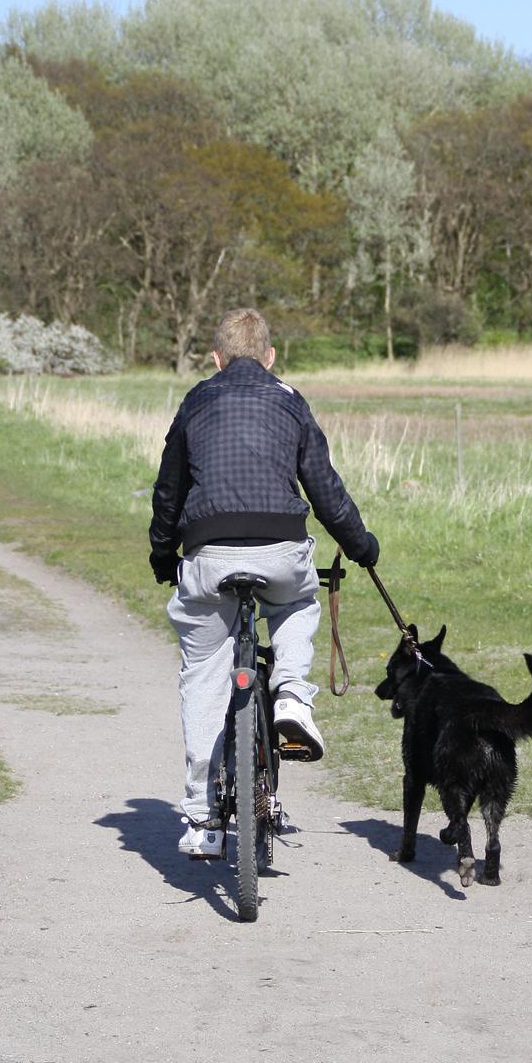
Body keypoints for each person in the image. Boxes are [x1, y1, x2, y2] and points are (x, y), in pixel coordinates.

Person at [149, 307, 379, 857]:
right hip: (280, 547)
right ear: (271, 356)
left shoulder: (195, 402)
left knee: (204, 675)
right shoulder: (289, 400)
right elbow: (325, 489)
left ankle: (204, 821)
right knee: (299, 601)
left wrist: (163, 555)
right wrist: (360, 545)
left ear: (216, 357)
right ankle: (293, 699)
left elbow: (168, 491)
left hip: (207, 550)